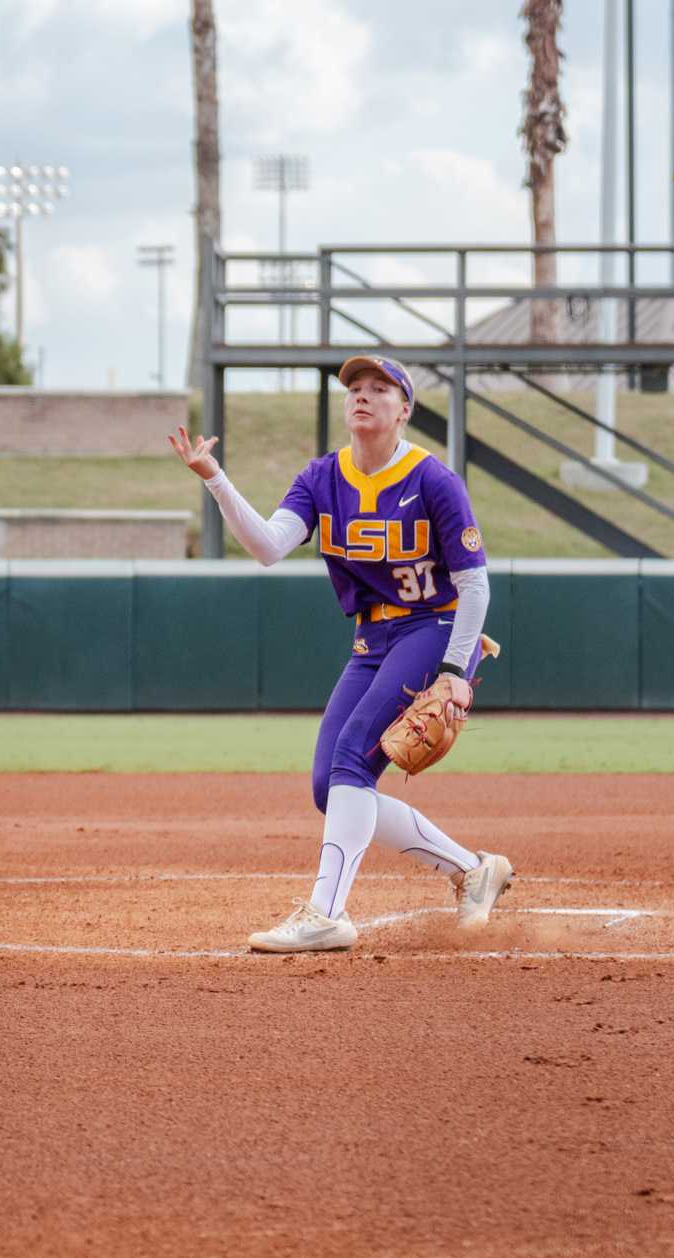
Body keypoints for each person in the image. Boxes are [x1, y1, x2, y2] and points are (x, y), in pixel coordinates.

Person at [171, 354, 514, 953]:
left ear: (404, 409)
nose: (362, 395)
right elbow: (270, 547)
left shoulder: (433, 479)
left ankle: (327, 913)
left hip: (432, 628)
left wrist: (457, 671)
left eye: (380, 388)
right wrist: (215, 478)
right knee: (329, 787)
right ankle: (472, 869)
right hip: (371, 639)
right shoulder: (322, 477)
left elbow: (475, 584)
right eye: (355, 387)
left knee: (354, 762)